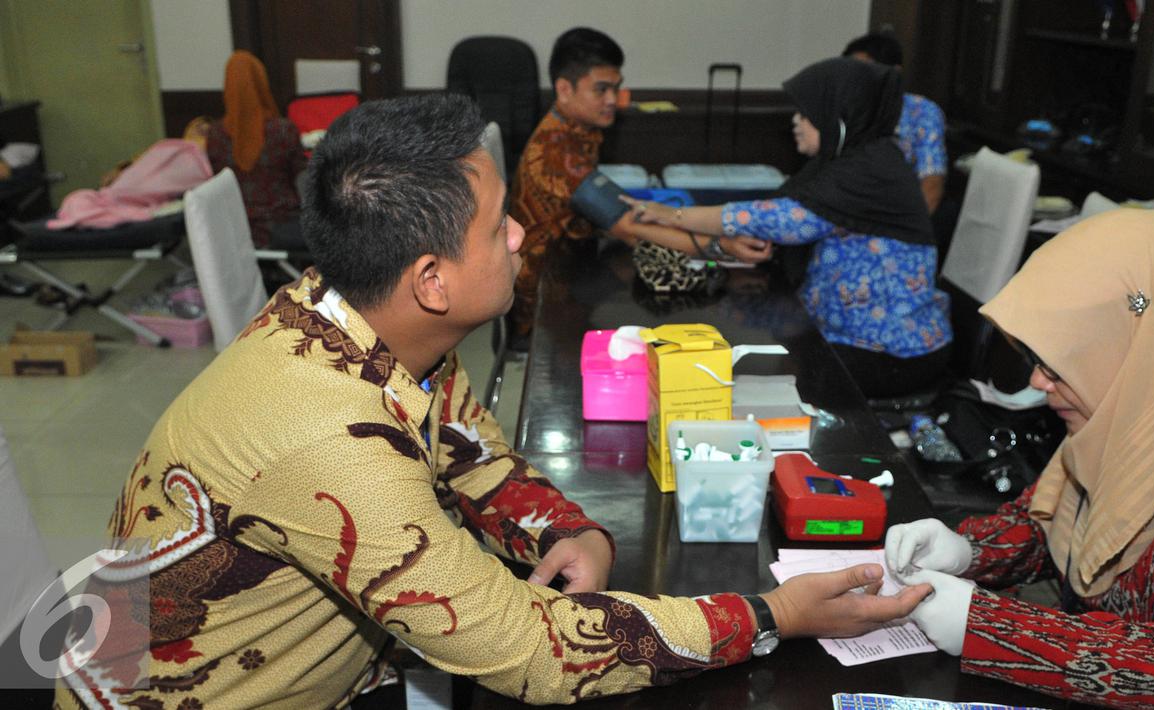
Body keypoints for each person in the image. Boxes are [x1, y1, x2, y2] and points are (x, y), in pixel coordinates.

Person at [54, 94, 929, 708]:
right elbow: (530, 650)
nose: (519, 237)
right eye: (499, 223)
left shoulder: (358, 317)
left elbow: (467, 451)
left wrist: (563, 527)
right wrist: (773, 614)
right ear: (430, 279)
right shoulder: (330, 442)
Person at [885, 208, 1154, 709]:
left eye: (1062, 365)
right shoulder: (1130, 410)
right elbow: (1054, 530)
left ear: (1145, 351)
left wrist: (989, 628)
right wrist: (969, 552)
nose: (1037, 383)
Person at [631, 58, 952, 399]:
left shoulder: (869, 169)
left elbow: (777, 220)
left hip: (890, 351)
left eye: (806, 113)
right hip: (844, 334)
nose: (795, 122)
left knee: (761, 385)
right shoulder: (845, 161)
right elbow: (770, 211)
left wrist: (672, 215)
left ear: (836, 117)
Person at [508, 27, 770, 344]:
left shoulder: (577, 129)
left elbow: (616, 207)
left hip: (575, 262)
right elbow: (629, 225)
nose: (612, 100)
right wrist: (724, 247)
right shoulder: (555, 151)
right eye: (601, 90)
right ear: (565, 89)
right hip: (546, 296)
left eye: (615, 89)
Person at [206, 50, 307, 248]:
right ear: (261, 84)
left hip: (231, 228)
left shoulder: (215, 135)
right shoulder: (282, 130)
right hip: (281, 224)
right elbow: (301, 175)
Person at [843, 33, 947, 214]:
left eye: (866, 70)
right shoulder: (846, 106)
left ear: (895, 72)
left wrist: (905, 229)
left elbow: (932, 181)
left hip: (905, 210)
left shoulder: (922, 111)